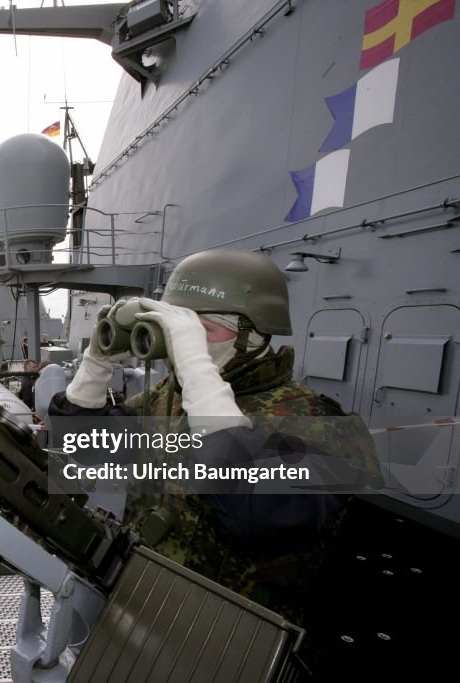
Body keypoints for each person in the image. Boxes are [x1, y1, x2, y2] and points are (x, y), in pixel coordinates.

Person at [50, 248, 382, 622]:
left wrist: (196, 367)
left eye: (201, 329)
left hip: (233, 633)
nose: (180, 343)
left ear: (251, 335)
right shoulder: (168, 398)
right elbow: (93, 455)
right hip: (143, 599)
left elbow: (259, 515)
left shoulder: (321, 422)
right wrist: (95, 365)